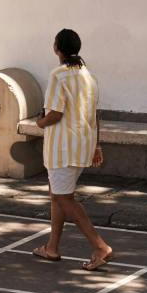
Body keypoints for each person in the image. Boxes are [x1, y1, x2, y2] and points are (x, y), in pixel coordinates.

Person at [31, 27, 113, 271]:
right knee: (58, 196)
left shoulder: (59, 75)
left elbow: (55, 113)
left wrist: (39, 122)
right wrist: (97, 143)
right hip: (83, 144)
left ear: (57, 48)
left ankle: (100, 246)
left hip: (62, 147)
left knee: (63, 198)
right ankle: (52, 247)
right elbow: (94, 114)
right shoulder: (89, 75)